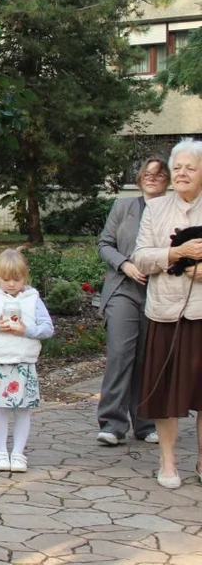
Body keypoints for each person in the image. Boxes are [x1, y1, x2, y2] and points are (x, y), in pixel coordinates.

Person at [131, 138, 202, 489]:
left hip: (201, 313)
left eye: (191, 167)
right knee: (165, 394)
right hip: (165, 313)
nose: (183, 173)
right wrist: (176, 254)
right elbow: (141, 256)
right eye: (178, 168)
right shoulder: (156, 209)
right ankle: (168, 462)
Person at [94, 158, 170, 446]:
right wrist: (124, 264)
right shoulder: (122, 207)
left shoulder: (172, 212)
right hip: (123, 289)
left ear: (167, 181)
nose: (152, 178)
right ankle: (112, 424)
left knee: (147, 359)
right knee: (120, 354)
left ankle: (145, 422)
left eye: (159, 174)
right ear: (139, 178)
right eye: (147, 174)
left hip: (158, 292)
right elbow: (104, 245)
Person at [0, 249, 54, 473]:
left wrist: (26, 330)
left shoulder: (33, 298)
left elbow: (47, 328)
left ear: (25, 277)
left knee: (23, 409)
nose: (11, 284)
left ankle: (18, 452)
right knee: (1, 408)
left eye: (16, 279)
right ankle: (0, 451)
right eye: (5, 279)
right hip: (0, 361)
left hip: (25, 361)